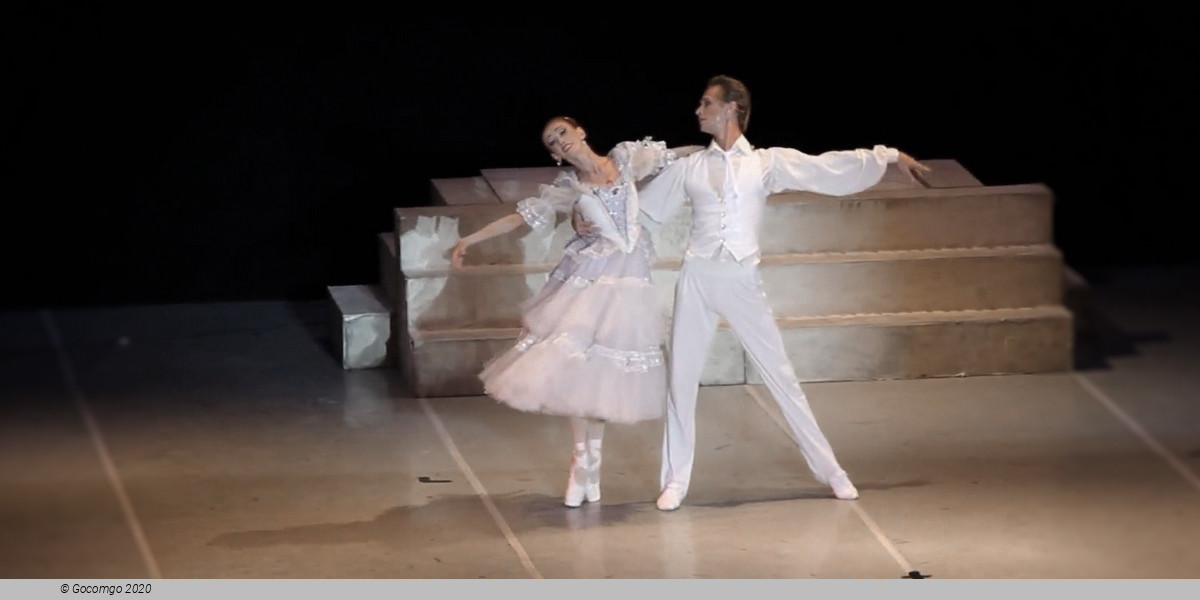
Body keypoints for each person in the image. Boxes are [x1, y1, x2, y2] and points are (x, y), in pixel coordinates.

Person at [633, 74, 933, 510]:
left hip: (741, 279)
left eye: (706, 103)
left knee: (783, 378)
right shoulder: (690, 167)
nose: (698, 111)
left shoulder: (766, 163)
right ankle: (675, 480)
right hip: (697, 277)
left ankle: (832, 471)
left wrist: (887, 156)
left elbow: (826, 167)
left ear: (731, 108)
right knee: (681, 379)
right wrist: (590, 215)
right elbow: (643, 211)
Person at [451, 116, 683, 508]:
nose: (559, 142)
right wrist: (469, 239)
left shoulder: (625, 158)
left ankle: (592, 461)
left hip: (628, 282)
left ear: (581, 132)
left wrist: (719, 148)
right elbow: (519, 217)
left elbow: (676, 156)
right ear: (556, 157)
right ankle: (583, 459)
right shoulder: (569, 187)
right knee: (578, 366)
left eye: (562, 133)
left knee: (603, 374)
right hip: (588, 278)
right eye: (552, 143)